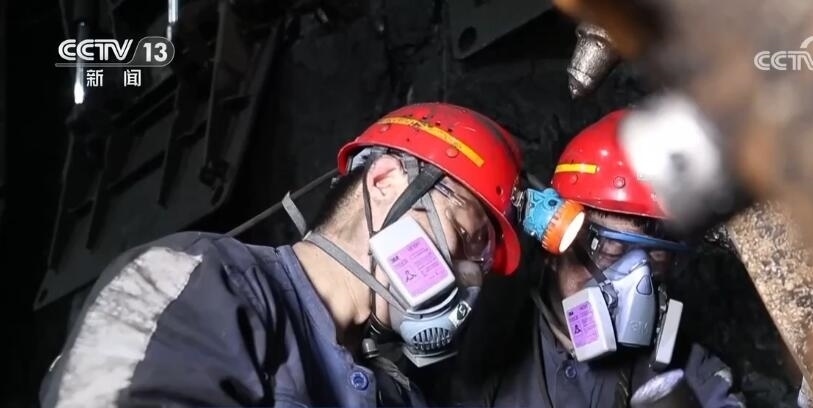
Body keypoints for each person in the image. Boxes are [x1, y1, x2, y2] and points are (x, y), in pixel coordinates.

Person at [39, 102, 525, 407]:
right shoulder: (196, 282)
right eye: (464, 237)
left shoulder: (396, 395)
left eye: (479, 267)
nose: (465, 282)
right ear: (384, 182)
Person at [453, 109, 744, 408]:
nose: (639, 278)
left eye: (656, 254)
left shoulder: (690, 374)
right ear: (551, 247)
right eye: (611, 249)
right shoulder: (479, 342)